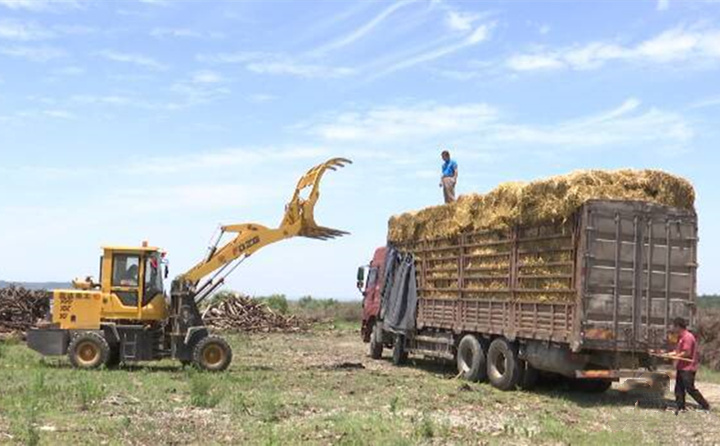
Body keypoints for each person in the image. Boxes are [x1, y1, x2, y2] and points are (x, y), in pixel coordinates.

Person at [672, 317, 711, 413]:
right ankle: (680, 407)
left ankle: (705, 405)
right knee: (679, 388)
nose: (673, 329)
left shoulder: (687, 337)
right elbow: (680, 351)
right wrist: (671, 354)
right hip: (681, 367)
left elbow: (687, 352)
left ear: (679, 326)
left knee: (690, 388)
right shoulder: (681, 337)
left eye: (674, 326)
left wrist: (677, 355)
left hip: (688, 368)